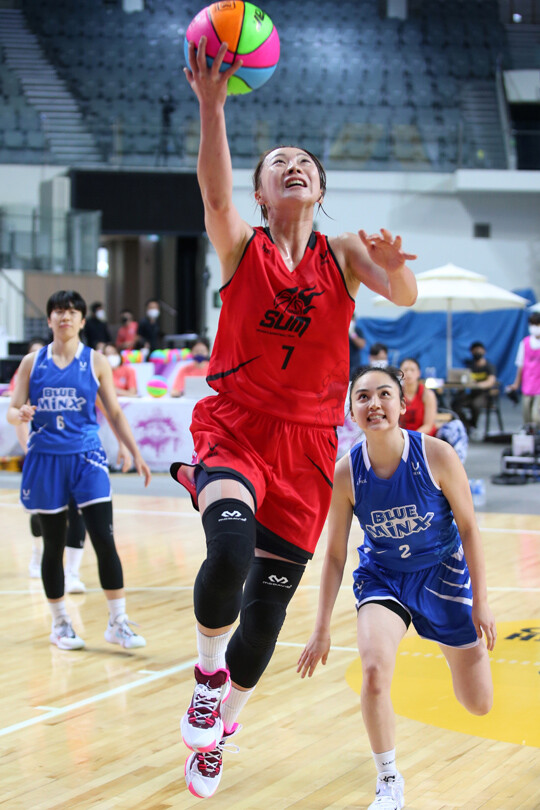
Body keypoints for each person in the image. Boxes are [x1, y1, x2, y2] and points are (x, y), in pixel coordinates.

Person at [170, 36, 418, 800]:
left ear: (319, 187)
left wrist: (397, 268)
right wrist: (213, 108)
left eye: (304, 161)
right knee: (229, 552)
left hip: (308, 448)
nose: (294, 165)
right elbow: (213, 197)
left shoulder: (341, 253)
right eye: (279, 162)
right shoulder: (240, 246)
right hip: (236, 425)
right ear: (262, 191)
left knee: (268, 612)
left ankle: (224, 726)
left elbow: (402, 295)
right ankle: (206, 677)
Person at [298, 365, 495, 810]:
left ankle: (458, 650)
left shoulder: (437, 455)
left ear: (403, 404)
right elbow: (334, 556)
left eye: (384, 394)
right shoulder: (346, 473)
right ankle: (388, 778)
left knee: (479, 704)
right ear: (351, 411)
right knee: (372, 672)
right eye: (363, 397)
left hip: (442, 574)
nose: (374, 404)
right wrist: (321, 627)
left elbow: (469, 528)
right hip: (383, 577)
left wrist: (481, 602)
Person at [7, 290, 152, 651]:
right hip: (47, 459)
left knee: (104, 538)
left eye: (72, 312)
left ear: (83, 320)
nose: (65, 317)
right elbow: (12, 409)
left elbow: (114, 411)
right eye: (59, 311)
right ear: (49, 319)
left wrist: (136, 452)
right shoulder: (32, 362)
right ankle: (60, 624)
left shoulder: (95, 361)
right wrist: (19, 414)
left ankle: (118, 622)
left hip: (87, 458)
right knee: (53, 543)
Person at [451, 341, 498, 435]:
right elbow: (466, 379)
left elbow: (491, 381)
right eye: (475, 351)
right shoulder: (470, 366)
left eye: (479, 350)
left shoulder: (489, 367)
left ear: (484, 351)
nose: (477, 353)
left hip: (484, 395)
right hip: (472, 393)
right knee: (455, 404)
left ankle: (473, 424)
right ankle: (467, 425)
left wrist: (478, 385)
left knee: (475, 404)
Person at [507, 311, 540, 428]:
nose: (534, 327)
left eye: (537, 324)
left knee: (536, 416)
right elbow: (520, 364)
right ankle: (530, 436)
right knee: (527, 415)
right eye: (532, 324)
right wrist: (516, 383)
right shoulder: (525, 343)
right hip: (528, 383)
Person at [399, 356, 438, 435]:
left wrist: (411, 437)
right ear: (400, 373)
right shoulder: (396, 393)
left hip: (423, 437)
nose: (409, 373)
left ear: (419, 373)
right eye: (405, 370)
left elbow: (428, 426)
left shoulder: (427, 395)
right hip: (401, 437)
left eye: (412, 370)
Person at [349, 310, 366, 379]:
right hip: (341, 362)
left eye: (351, 319)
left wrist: (352, 334)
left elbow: (362, 345)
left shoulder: (357, 330)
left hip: (354, 364)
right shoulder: (339, 330)